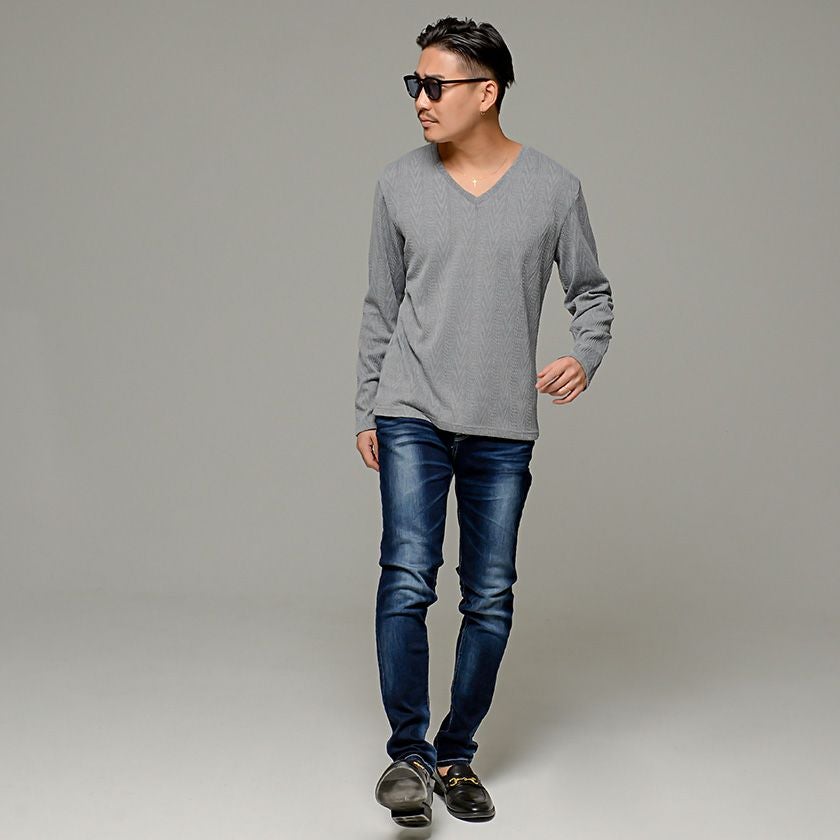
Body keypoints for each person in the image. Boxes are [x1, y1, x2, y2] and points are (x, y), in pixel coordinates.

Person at [354, 16, 614, 828]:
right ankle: (409, 755)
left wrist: (586, 353)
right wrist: (367, 404)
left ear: (486, 92)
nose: (420, 100)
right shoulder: (398, 184)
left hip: (503, 423)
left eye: (435, 85)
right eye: (415, 85)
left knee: (490, 595)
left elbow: (591, 292)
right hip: (411, 410)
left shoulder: (554, 189)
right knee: (407, 576)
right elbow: (379, 305)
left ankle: (455, 755)